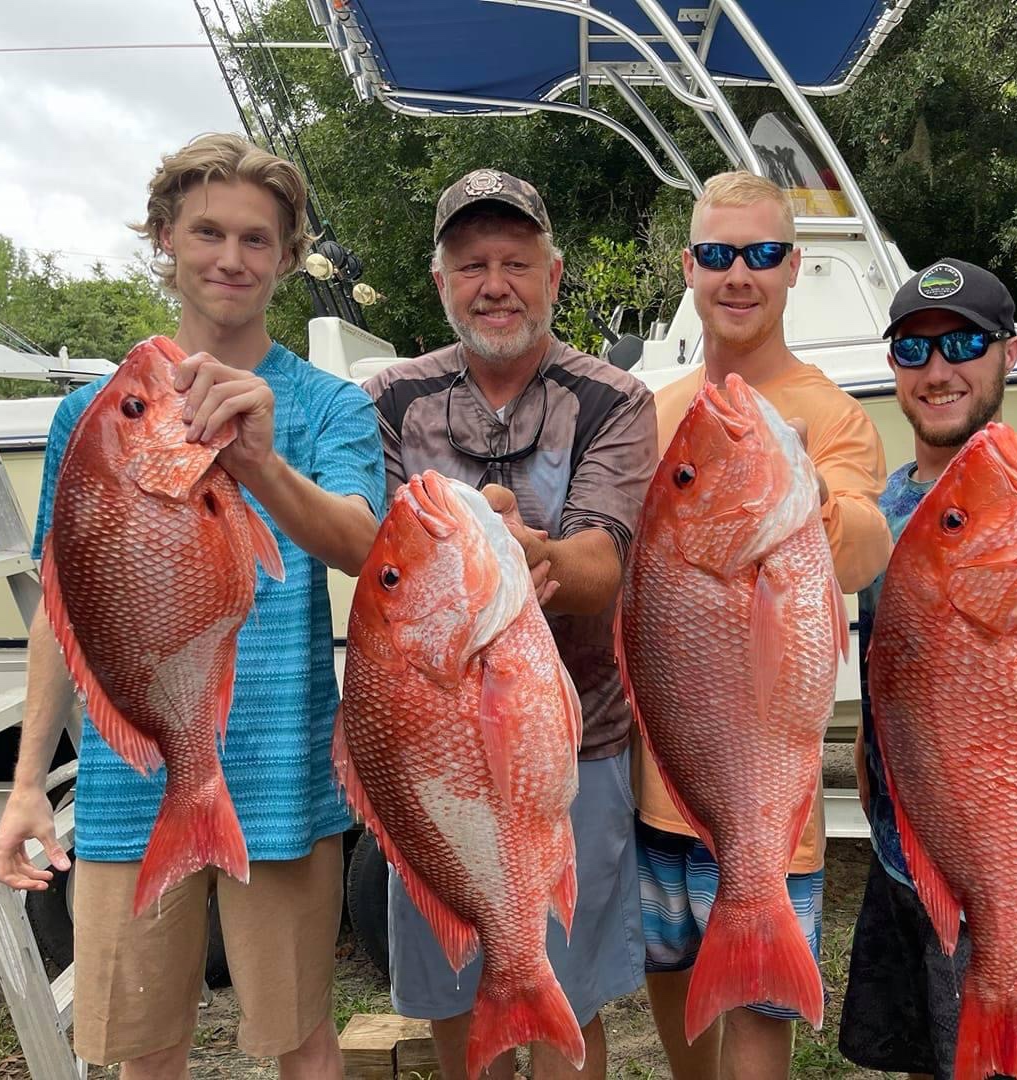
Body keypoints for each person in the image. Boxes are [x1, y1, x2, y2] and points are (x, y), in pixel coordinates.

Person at [0, 133, 385, 1080]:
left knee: (300, 1037)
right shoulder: (92, 413)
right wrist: (26, 784)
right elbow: (63, 607)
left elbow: (368, 548)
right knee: (141, 1049)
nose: (231, 258)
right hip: (133, 779)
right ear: (165, 236)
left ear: (289, 257)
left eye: (258, 239)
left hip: (285, 778)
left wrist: (259, 462)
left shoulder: (332, 406)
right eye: (208, 232)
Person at [362, 168, 655, 1080]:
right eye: (472, 264)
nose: (496, 284)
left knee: (564, 993)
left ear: (555, 277)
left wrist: (529, 559)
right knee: (460, 995)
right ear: (441, 284)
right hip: (425, 752)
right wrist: (473, 559)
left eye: (516, 262)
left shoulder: (616, 400)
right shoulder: (387, 399)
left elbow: (605, 560)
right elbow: (372, 556)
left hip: (577, 750)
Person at [636, 171, 893, 1080]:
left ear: (793, 268)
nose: (736, 274)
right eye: (715, 254)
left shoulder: (832, 417)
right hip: (661, 775)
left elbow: (863, 549)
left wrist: (810, 495)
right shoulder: (652, 412)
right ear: (689, 269)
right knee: (672, 969)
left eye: (759, 254)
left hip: (765, 797)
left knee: (756, 1008)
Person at [838, 257, 1017, 1079]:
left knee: (998, 1046)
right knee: (927, 1056)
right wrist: (862, 736)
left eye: (962, 342)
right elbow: (887, 658)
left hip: (1012, 848)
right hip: (903, 850)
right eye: (913, 350)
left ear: (1010, 353)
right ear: (892, 366)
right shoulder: (882, 506)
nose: (938, 369)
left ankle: (1011, 976)